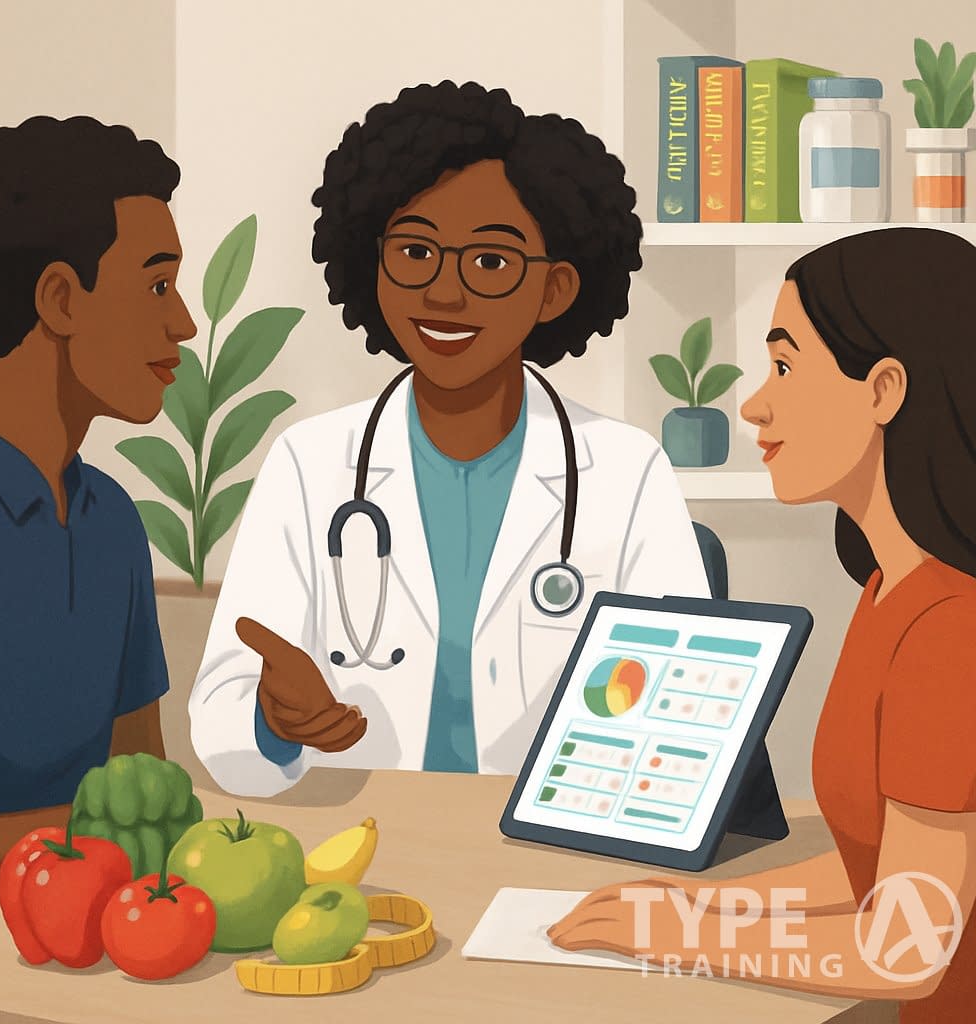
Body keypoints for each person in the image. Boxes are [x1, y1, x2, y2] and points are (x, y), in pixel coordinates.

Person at [189, 80, 710, 798]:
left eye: (490, 263)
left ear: (555, 289)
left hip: (558, 842)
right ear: (373, 265)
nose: (443, 293)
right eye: (415, 253)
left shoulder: (626, 472)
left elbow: (686, 715)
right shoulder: (309, 467)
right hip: (363, 836)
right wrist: (277, 719)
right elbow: (222, 726)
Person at [549, 227, 976, 1023]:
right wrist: (700, 904)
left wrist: (675, 936)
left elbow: (905, 948)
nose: (753, 402)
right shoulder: (889, 588)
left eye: (784, 365)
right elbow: (871, 871)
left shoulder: (951, 632)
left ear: (883, 389)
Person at [0, 116, 197, 891]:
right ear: (60, 298)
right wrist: (107, 840)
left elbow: (143, 779)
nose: (184, 323)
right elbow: (136, 822)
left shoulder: (111, 522)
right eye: (157, 285)